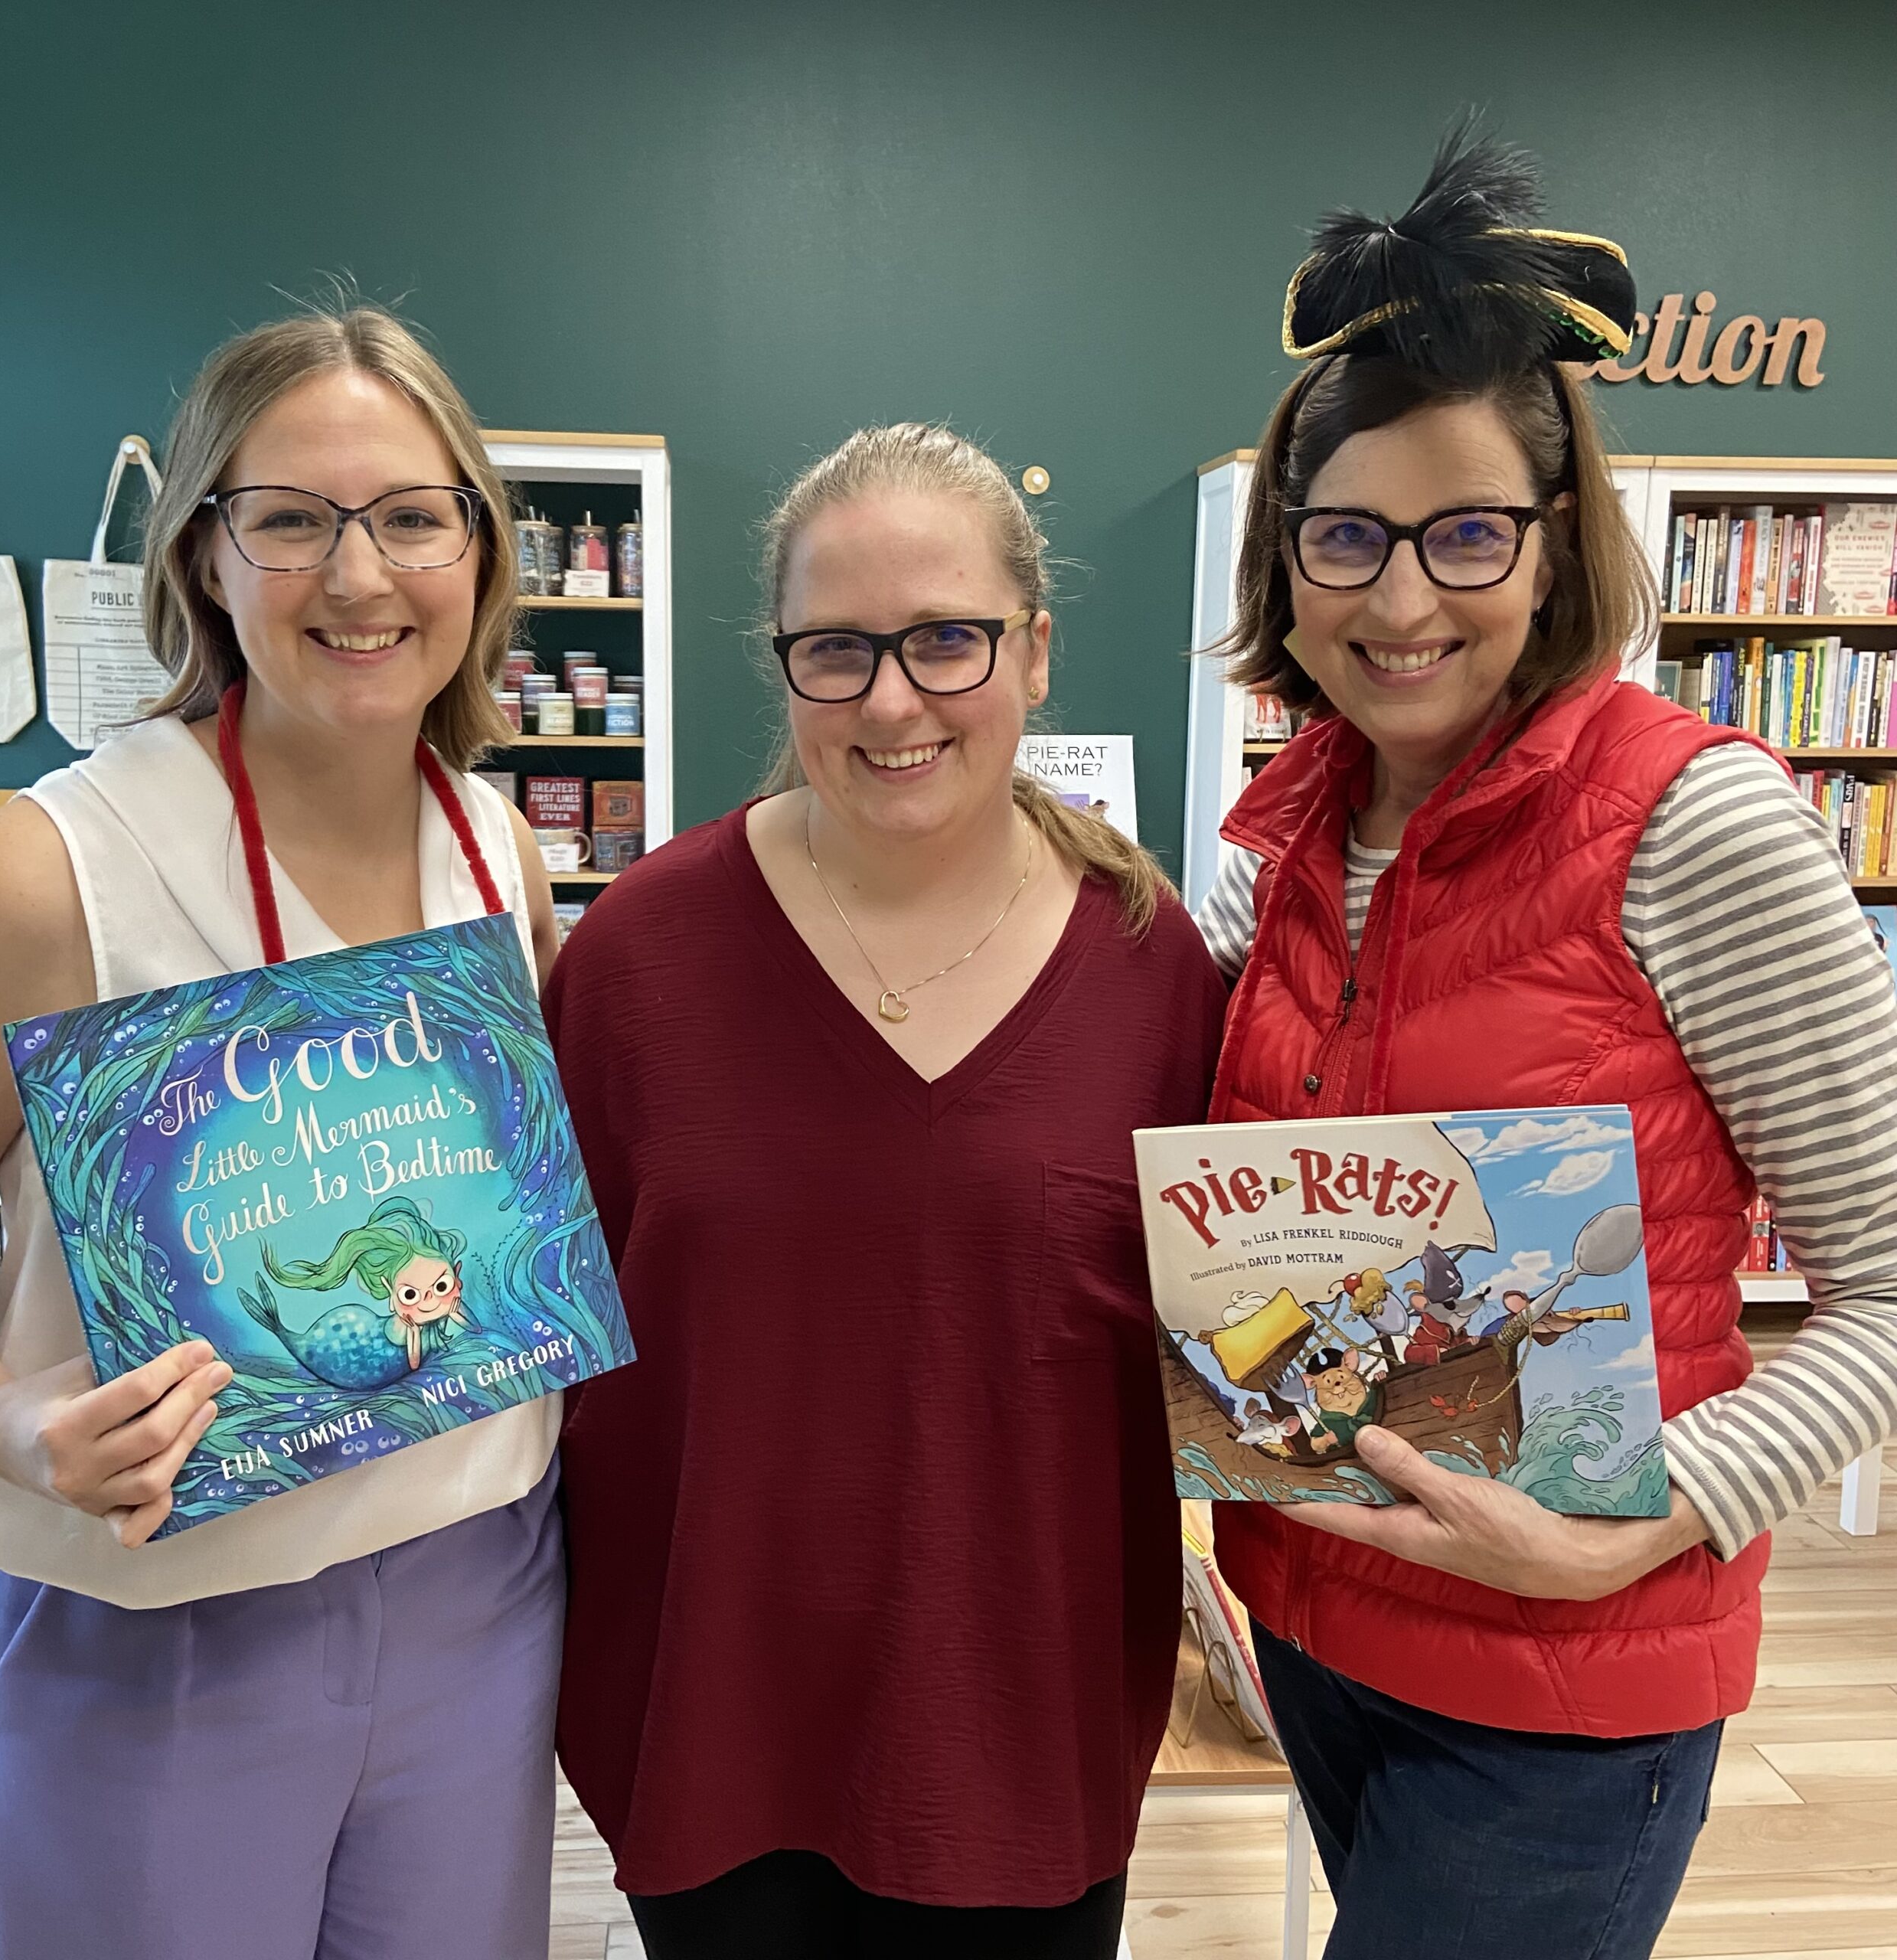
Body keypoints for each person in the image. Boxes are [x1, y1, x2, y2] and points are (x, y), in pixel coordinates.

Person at [1195, 132, 1897, 1959]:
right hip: (1315, 1617)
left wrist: (1649, 1519)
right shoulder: (1282, 843)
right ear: (1288, 554)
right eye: (1344, 535)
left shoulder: (1692, 827)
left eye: (1464, 533)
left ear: (1549, 534)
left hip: (1565, 1675)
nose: (1399, 599)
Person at [544, 423, 1228, 1958]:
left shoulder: (1148, 967)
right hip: (711, 1709)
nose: (891, 698)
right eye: (834, 650)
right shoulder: (638, 959)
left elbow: (1229, 1345)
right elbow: (526, 1331)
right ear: (779, 664)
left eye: (945, 639)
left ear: (1034, 650)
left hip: (1019, 1727)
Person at [0, 305, 568, 1960]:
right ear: (203, 552)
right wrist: (12, 1426)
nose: (359, 577)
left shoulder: (498, 846)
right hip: (164, 1633)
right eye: (290, 519)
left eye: (411, 516)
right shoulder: (44, 869)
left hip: (480, 1596)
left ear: (479, 547)